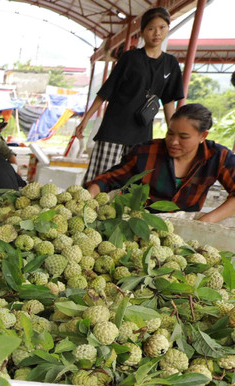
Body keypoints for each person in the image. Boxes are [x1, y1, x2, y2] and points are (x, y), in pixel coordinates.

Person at [74, 7, 184, 182]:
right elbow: (106, 90)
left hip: (142, 132)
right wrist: (86, 118)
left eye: (162, 27)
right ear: (142, 33)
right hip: (115, 128)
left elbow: (169, 102)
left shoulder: (170, 64)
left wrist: (174, 134)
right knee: (102, 177)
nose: (157, 33)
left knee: (132, 180)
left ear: (168, 28)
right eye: (151, 28)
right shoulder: (130, 58)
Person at [86, 103, 235, 224]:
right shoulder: (146, 152)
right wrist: (88, 197)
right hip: (139, 223)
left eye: (183, 137)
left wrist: (207, 220)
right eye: (170, 133)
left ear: (203, 135)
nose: (173, 142)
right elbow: (109, 179)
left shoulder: (218, 157)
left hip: (185, 224)